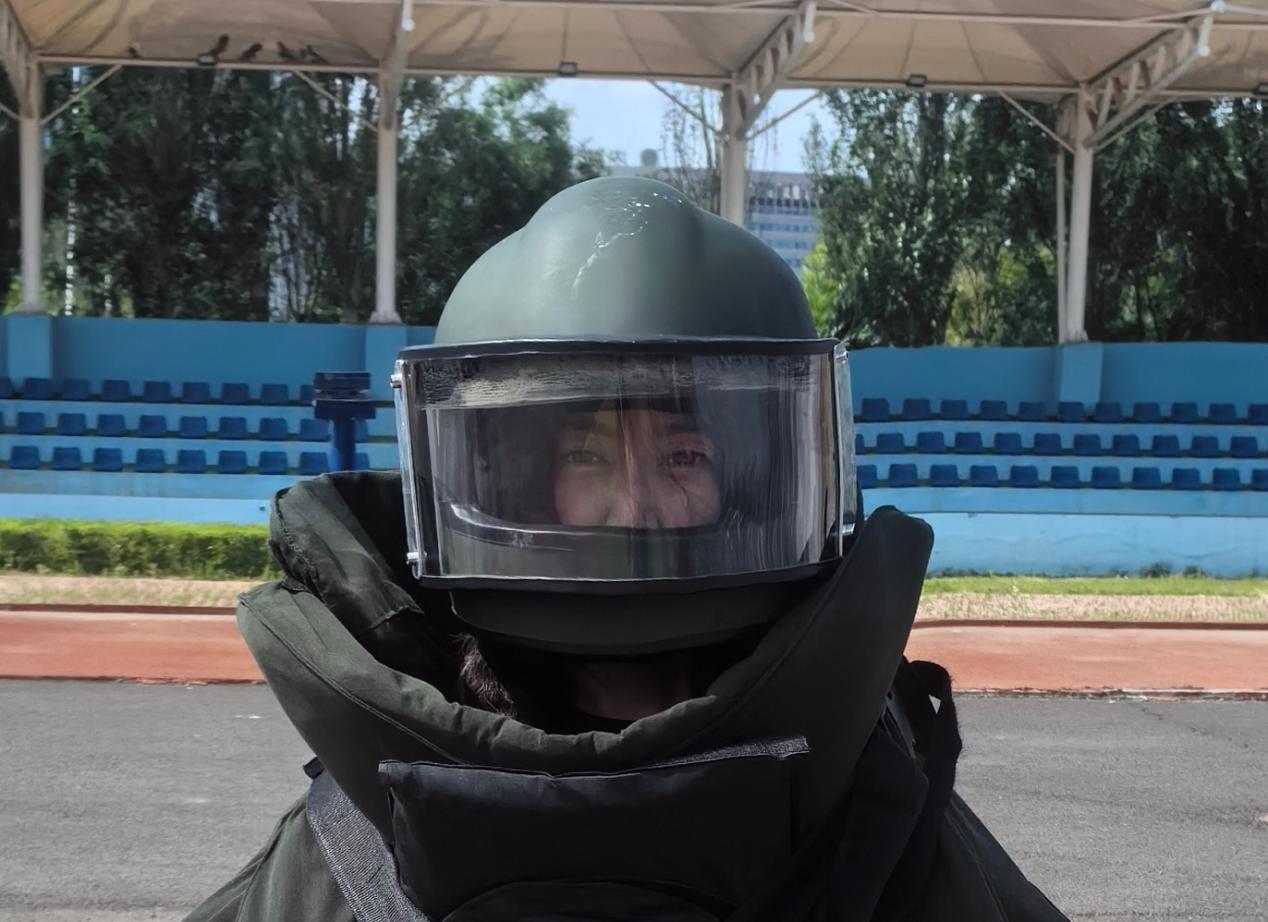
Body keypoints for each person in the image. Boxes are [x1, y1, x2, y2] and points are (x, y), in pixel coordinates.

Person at [184, 177, 1068, 921]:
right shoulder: (876, 800)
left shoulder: (367, 820)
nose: (637, 506)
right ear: (513, 483)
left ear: (760, 483)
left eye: (685, 456)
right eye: (587, 458)